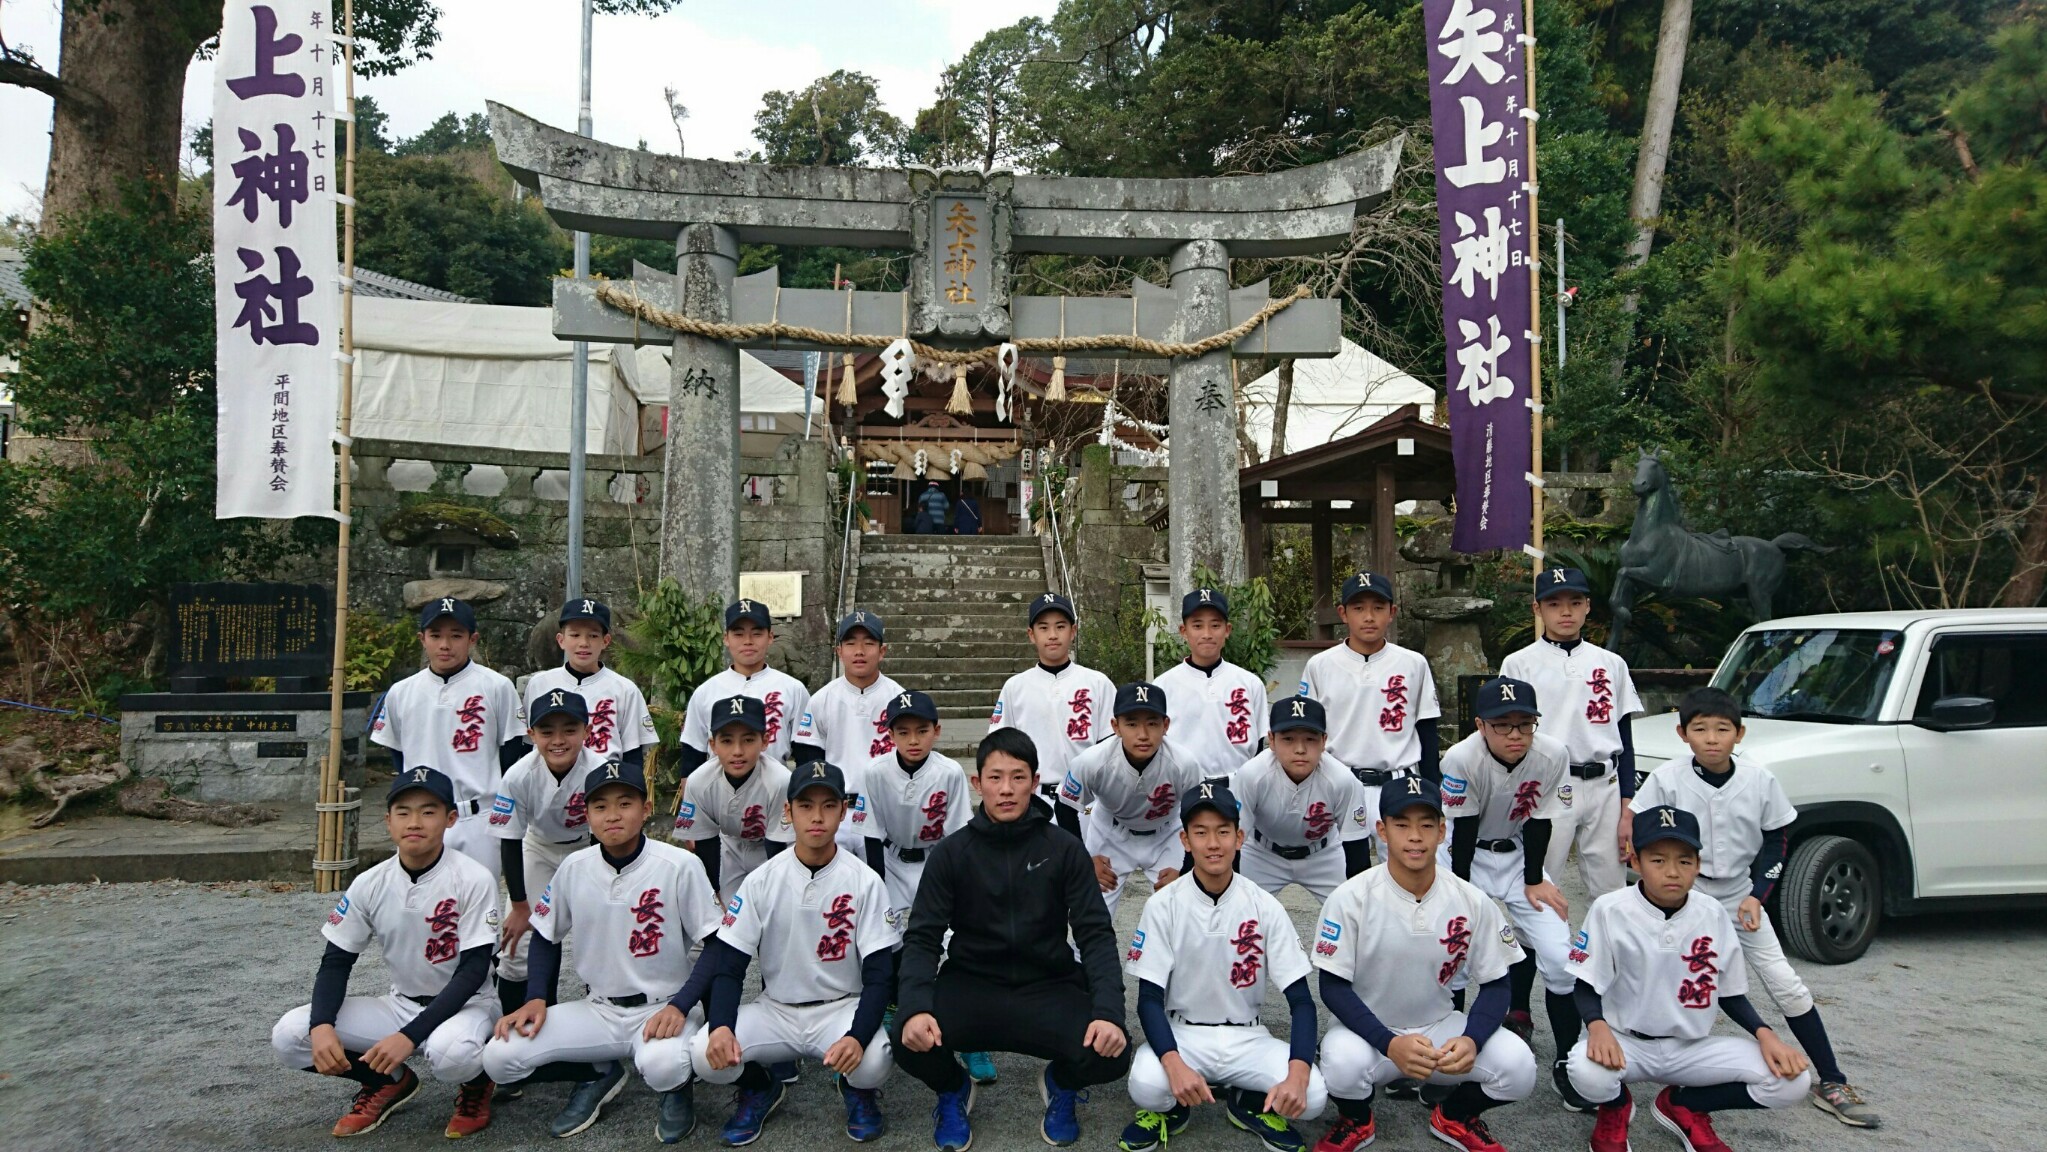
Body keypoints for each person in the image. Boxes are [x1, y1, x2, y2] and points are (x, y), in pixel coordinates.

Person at [1630, 687, 1880, 1129]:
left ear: (1739, 733)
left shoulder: (1759, 779)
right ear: (1682, 733)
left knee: (1786, 984)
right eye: (1700, 729)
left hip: (1740, 897)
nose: (1711, 738)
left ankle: (1833, 1080)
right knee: (1663, 976)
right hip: (1684, 898)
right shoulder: (1667, 778)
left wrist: (1757, 896)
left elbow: (1775, 841)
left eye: (1722, 729)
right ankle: (1628, 1071)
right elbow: (1645, 836)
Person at [893, 728, 1133, 1151]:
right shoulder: (952, 853)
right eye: (996, 777)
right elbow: (923, 937)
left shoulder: (1063, 848)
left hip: (1048, 984)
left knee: (1113, 1050)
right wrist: (913, 1006)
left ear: (1035, 782)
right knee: (905, 1037)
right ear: (977, 782)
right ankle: (953, 1089)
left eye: (1019, 777)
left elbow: (1095, 934)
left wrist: (1109, 1012)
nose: (1007, 789)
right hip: (972, 983)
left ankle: (1060, 1084)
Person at [482, 760, 725, 1142]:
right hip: (598, 1009)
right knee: (499, 1057)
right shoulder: (573, 867)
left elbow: (716, 944)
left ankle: (676, 1090)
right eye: (600, 806)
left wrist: (682, 1005)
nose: (613, 815)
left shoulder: (680, 864)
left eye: (624, 803)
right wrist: (535, 999)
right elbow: (546, 936)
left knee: (663, 1067)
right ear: (586, 815)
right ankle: (598, 1072)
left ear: (645, 810)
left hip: (663, 1007)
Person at [1566, 806, 1814, 1152]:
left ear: (1698, 865)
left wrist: (1766, 1035)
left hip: (1691, 1047)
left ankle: (1684, 1105)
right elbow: (1585, 983)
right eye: (1658, 860)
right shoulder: (1610, 909)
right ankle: (1616, 1107)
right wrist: (1596, 1026)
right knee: (1583, 1070)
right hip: (1626, 1043)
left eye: (1684, 861)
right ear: (1635, 862)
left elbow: (1730, 994)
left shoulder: (1711, 913)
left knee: (1793, 1081)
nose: (1672, 871)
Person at [271, 767, 500, 1138]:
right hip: (401, 1003)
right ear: (388, 821)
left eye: (429, 811)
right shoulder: (370, 882)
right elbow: (336, 961)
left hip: (468, 1005)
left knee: (451, 1055)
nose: (415, 822)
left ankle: (477, 1085)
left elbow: (474, 970)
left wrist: (409, 1036)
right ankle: (387, 1081)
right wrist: (323, 1025)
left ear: (450, 819)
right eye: (404, 812)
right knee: (291, 1035)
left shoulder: (473, 877)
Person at [1312, 776, 1538, 1152]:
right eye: (1402, 824)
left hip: (1438, 1026)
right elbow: (1331, 986)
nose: (1414, 836)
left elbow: (1497, 982)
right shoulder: (1350, 897)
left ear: (1442, 831)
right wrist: (1388, 1042)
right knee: (1339, 1065)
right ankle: (1355, 1119)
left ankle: (1455, 1115)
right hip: (1371, 1033)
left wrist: (1472, 1038)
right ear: (1382, 831)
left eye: (1426, 824)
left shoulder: (1470, 898)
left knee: (1519, 1067)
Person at [688, 762, 900, 1145]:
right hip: (776, 1009)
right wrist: (720, 1024)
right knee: (705, 1053)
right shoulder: (761, 880)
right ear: (787, 812)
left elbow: (880, 974)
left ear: (843, 810)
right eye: (805, 805)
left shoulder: (864, 880)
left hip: (840, 1007)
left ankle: (857, 1090)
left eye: (828, 805)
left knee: (874, 1058)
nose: (817, 817)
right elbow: (730, 966)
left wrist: (856, 1035)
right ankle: (761, 1086)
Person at [1119, 781, 1327, 1152]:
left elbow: (1301, 1001)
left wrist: (1298, 1072)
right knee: (1147, 1085)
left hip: (1248, 1037)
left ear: (1239, 837)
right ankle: (1173, 1107)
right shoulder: (1163, 904)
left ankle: (1246, 1102)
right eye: (1200, 832)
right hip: (1182, 1035)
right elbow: (1148, 999)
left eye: (1222, 831)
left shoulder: (1264, 905)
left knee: (1312, 1097)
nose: (1213, 843)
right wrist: (1172, 1062)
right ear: (1185, 840)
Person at [1440, 677, 1587, 1109]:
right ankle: (1448, 1059)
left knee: (1562, 961)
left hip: (1522, 855)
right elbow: (1462, 831)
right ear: (1481, 725)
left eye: (1525, 724)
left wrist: (1535, 878)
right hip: (1463, 858)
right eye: (1504, 725)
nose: (1516, 734)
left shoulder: (1553, 753)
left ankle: (1570, 1064)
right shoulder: (1460, 757)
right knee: (1457, 958)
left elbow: (1541, 819)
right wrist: (1464, 897)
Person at [857, 689, 996, 1085]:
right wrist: (875, 889)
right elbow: (869, 834)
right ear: (890, 735)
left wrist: (959, 886)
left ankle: (971, 1037)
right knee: (889, 940)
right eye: (903, 732)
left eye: (922, 730)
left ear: (937, 730)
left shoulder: (949, 771)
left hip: (937, 861)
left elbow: (957, 835)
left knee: (956, 942)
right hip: (890, 860)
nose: (913, 739)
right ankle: (895, 1008)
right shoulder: (874, 772)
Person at [1498, 568, 1643, 899]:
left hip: (1605, 783)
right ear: (1538, 609)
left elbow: (1624, 738)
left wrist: (1627, 806)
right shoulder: (1519, 664)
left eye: (1575, 602)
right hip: (1549, 783)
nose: (1566, 611)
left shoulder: (1611, 663)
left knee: (1612, 892)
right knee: (1540, 883)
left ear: (1587, 606)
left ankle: (1599, 953)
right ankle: (1541, 952)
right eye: (1554, 603)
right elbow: (1508, 736)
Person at [369, 598, 525, 883]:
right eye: (436, 635)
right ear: (422, 639)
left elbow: (511, 751)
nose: (445, 644)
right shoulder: (401, 692)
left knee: (478, 905)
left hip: (477, 814)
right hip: (423, 816)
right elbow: (397, 752)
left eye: (456, 635)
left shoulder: (496, 686)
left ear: (472, 639)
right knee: (424, 903)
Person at [1298, 571, 1442, 851]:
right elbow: (1307, 731)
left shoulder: (1413, 663)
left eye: (1378, 608)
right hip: (1341, 782)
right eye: (1359, 608)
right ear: (1343, 613)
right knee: (1346, 874)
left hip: (1399, 781)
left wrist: (1432, 790)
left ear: (1392, 612)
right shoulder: (1320, 665)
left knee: (1406, 873)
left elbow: (1427, 730)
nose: (1368, 617)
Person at [489, 689, 603, 1018]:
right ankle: (519, 1025)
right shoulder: (518, 775)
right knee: (518, 944)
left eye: (569, 729)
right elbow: (509, 839)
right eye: (546, 731)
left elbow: (608, 836)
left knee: (598, 933)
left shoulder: (599, 770)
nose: (558, 739)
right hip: (537, 848)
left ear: (587, 730)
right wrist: (522, 906)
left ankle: (599, 1014)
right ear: (531, 734)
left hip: (586, 849)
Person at [1056, 681, 1203, 913]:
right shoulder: (1092, 761)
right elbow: (1065, 807)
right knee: (1091, 912)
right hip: (1110, 833)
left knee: (1185, 910)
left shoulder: (1184, 764)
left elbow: (1199, 815)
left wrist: (1186, 871)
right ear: (1115, 726)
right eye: (1132, 723)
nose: (1142, 734)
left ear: (1165, 725)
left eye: (1152, 723)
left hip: (1167, 834)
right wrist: (1084, 860)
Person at [1229, 697, 1372, 901]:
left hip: (1323, 854)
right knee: (1239, 910)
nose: (1300, 749)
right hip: (1263, 853)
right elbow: (1233, 839)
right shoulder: (1251, 776)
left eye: (1310, 739)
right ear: (1271, 740)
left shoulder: (1342, 780)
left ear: (1324, 741)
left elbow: (1357, 847)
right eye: (1288, 739)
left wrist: (1359, 902)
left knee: (1354, 909)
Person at [791, 610, 904, 858]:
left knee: (879, 888)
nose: (859, 651)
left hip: (883, 810)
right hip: (836, 809)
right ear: (839, 651)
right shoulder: (822, 699)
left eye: (868, 643)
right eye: (850, 643)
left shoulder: (898, 698)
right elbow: (808, 759)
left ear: (882, 650)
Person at [988, 592, 1114, 803]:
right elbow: (1000, 745)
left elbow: (1110, 746)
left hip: (1087, 799)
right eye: (1043, 627)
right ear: (1031, 634)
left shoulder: (1098, 683)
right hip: (1033, 798)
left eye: (1061, 626)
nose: (1053, 635)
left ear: (1073, 631)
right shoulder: (1015, 687)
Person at [672, 695, 796, 902]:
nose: (737, 751)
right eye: (727, 741)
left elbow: (777, 845)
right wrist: (714, 895)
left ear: (764, 741)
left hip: (774, 848)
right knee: (725, 917)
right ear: (712, 744)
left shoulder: (780, 780)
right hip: (729, 845)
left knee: (772, 906)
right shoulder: (700, 781)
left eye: (748, 740)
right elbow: (705, 842)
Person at [523, 598, 658, 774]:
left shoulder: (625, 689)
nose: (584, 643)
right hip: (546, 783)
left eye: (593, 636)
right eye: (575, 635)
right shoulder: (539, 684)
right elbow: (528, 744)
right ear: (561, 640)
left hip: (603, 784)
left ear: (606, 641)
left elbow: (632, 753)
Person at [679, 599, 811, 770]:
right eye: (738, 634)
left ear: (770, 637)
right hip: (718, 788)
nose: (748, 641)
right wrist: (689, 794)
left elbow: (806, 751)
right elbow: (692, 752)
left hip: (775, 788)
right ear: (726, 638)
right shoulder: (706, 692)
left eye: (756, 633)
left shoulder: (793, 689)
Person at [1153, 587, 1268, 778]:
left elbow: (1259, 748)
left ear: (1227, 630)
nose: (1207, 634)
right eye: (1197, 626)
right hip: (1184, 787)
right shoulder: (1163, 686)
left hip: (1238, 786)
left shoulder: (1250, 683)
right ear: (1184, 631)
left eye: (1215, 625)